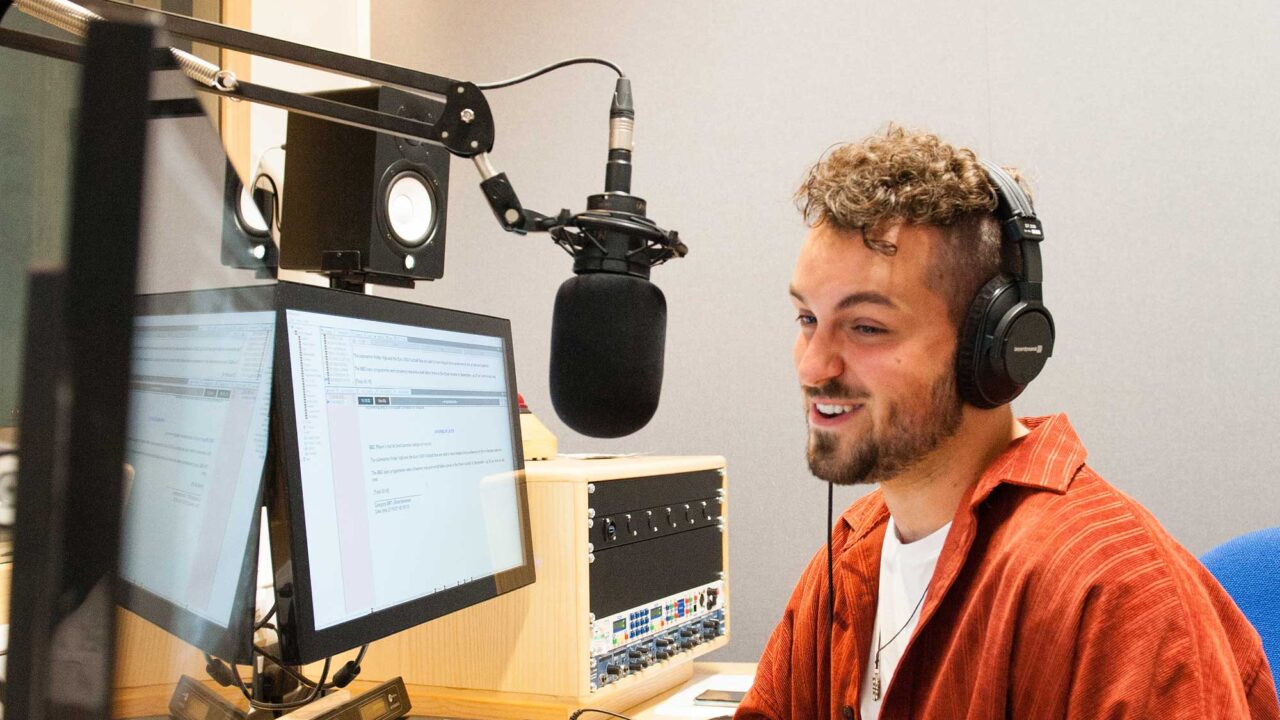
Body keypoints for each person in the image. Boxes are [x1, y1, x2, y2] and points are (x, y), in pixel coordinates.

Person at [735, 126, 1280, 719]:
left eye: (867, 327)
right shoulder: (850, 559)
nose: (815, 364)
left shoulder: (1113, 588)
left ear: (992, 345)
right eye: (807, 318)